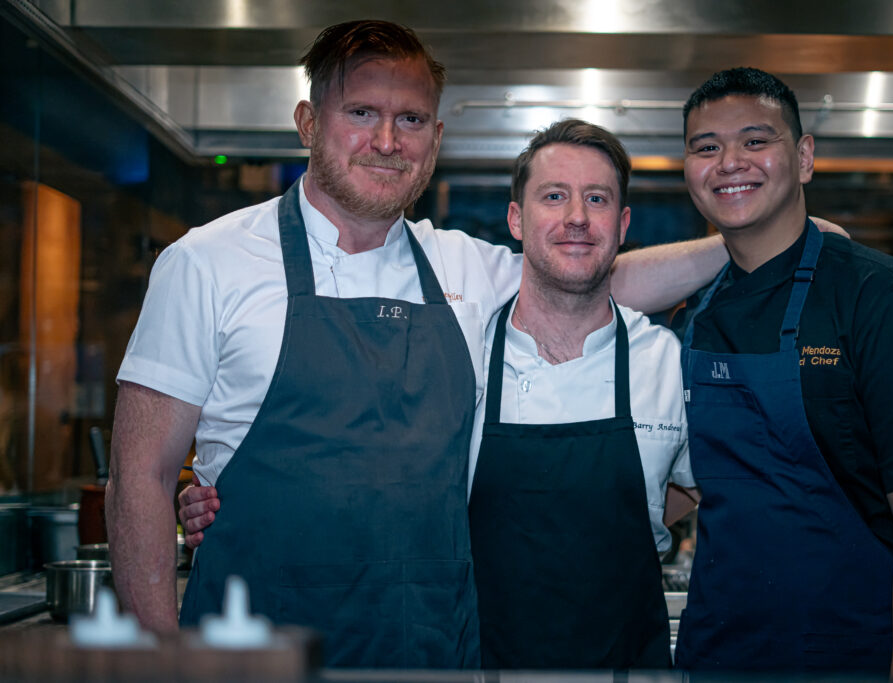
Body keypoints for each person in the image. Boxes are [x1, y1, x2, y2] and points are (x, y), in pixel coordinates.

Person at [105, 20, 729, 669]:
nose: (385, 140)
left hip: (430, 652)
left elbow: (592, 273)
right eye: (362, 112)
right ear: (308, 122)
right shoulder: (206, 263)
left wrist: (755, 239)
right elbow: (138, 479)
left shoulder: (462, 268)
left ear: (434, 140)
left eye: (409, 119)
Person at [182, 119, 692, 669]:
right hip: (479, 661)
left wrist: (761, 241)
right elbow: (364, 458)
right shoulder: (465, 343)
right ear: (516, 221)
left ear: (623, 223)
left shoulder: (665, 359)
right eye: (554, 196)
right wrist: (234, 497)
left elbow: (716, 488)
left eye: (597, 198)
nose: (576, 217)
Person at [671, 67, 893, 678]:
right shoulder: (694, 318)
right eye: (706, 147)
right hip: (719, 656)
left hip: (852, 656)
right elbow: (692, 483)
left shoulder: (887, 300)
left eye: (756, 141)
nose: (730, 161)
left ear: (805, 157)